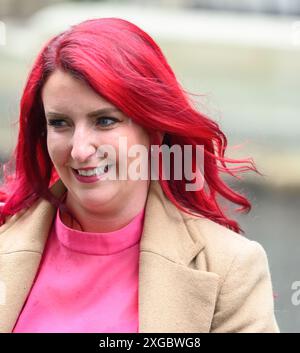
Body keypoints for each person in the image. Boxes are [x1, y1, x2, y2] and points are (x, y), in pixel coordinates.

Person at [0, 18, 279, 333]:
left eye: (104, 121)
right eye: (60, 123)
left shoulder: (230, 267)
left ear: (154, 129)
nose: (79, 150)